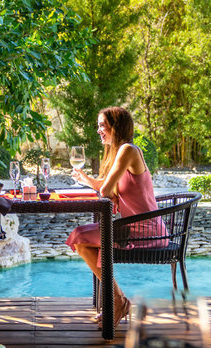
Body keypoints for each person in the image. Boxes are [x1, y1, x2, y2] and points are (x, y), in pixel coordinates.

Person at [67, 106, 165, 328]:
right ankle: (118, 299)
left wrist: (105, 190)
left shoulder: (128, 150)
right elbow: (106, 187)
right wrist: (86, 180)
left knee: (79, 235)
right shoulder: (123, 151)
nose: (98, 130)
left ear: (116, 126)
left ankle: (118, 301)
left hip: (145, 230)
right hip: (132, 226)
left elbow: (105, 190)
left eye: (102, 125)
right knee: (80, 240)